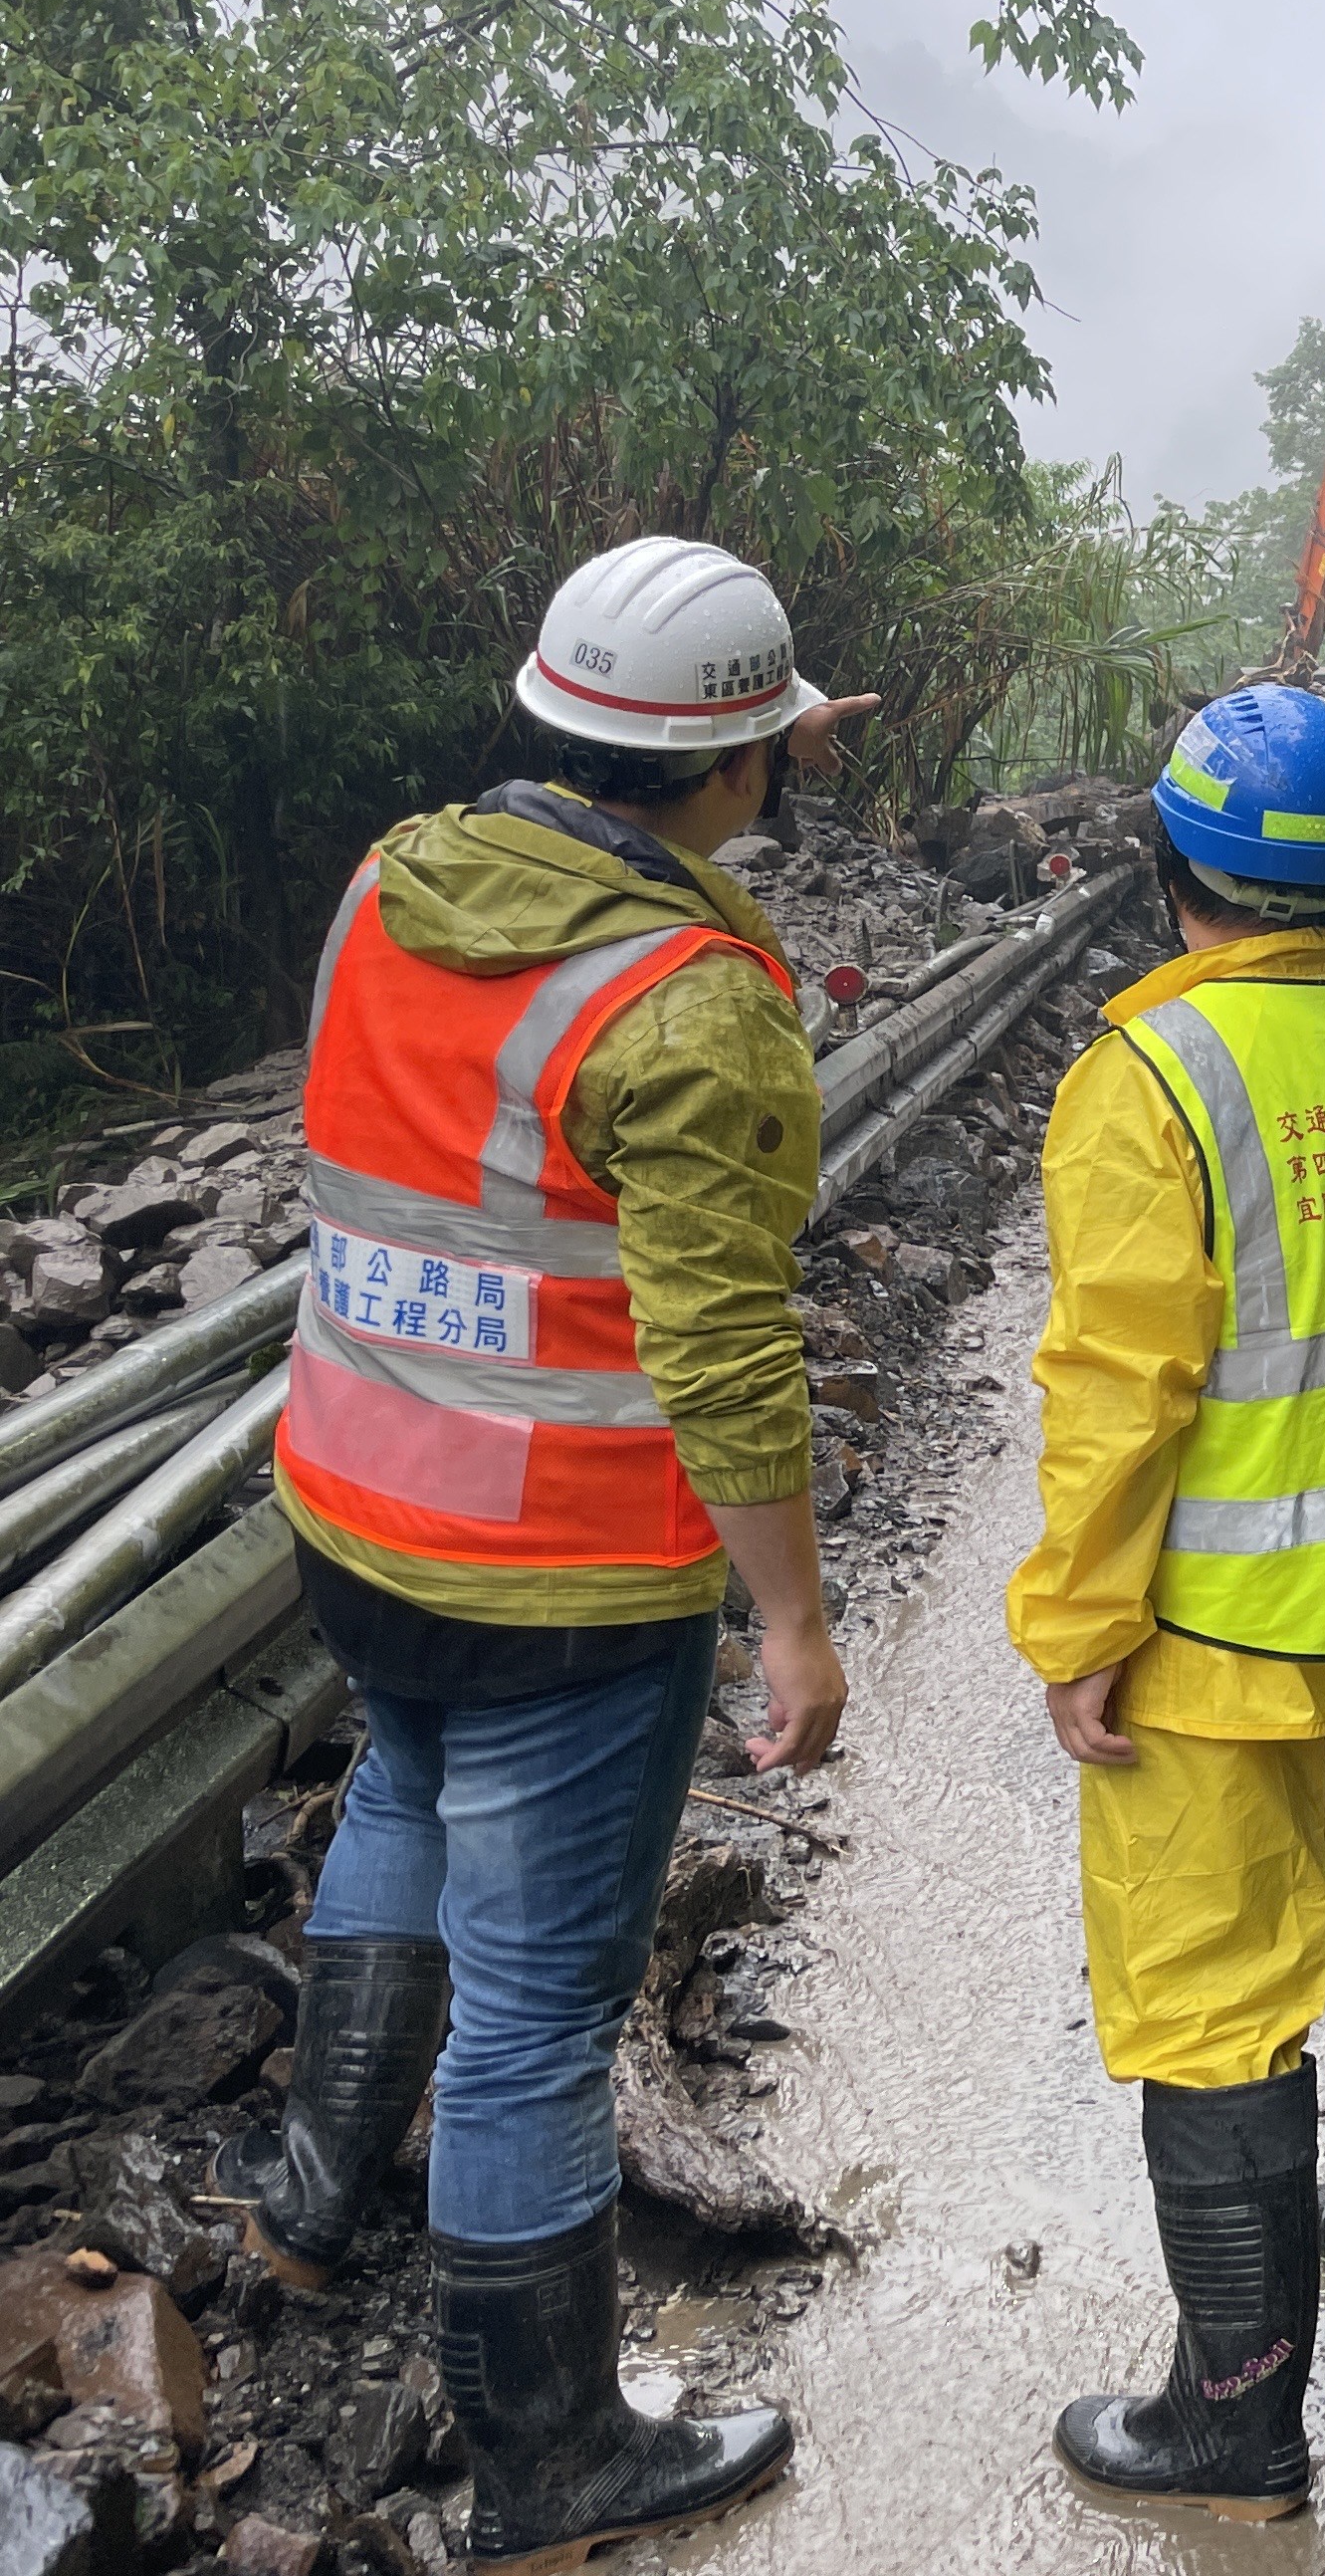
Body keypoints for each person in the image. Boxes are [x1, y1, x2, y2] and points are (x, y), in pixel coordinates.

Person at [221, 535, 871, 2573]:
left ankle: (313, 2217)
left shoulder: (392, 882)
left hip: (351, 1505)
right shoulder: (688, 1006)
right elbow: (723, 1348)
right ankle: (551, 2463)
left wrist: (754, 746)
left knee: (399, 1800)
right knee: (531, 2026)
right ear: (736, 765)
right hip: (561, 1589)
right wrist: (792, 1619)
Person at [1010, 685, 1325, 2521]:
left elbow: (1115, 1391)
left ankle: (1233, 2424)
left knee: (1211, 2006)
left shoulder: (1147, 1083)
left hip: (1208, 1644)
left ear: (1174, 878)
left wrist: (1076, 1626)